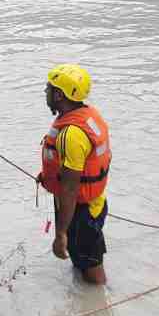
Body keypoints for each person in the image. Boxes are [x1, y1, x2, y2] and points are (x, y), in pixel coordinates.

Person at [38, 64, 111, 285]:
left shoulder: (71, 134)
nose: (45, 92)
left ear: (59, 94)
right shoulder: (85, 116)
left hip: (82, 213)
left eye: (49, 88)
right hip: (92, 204)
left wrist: (60, 234)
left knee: (93, 273)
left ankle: (98, 309)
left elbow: (70, 189)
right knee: (82, 260)